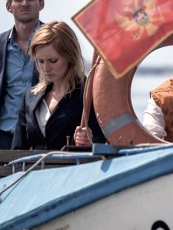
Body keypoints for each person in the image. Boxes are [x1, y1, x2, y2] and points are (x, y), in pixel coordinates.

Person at [12, 21, 105, 150]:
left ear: (70, 56)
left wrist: (90, 142)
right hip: (33, 164)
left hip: (74, 163)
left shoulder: (90, 95)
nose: (46, 68)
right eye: (40, 61)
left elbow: (104, 142)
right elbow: (17, 149)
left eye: (53, 61)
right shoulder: (30, 97)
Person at [0, 0, 45, 169]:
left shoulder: (55, 40)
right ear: (9, 6)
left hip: (40, 136)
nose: (24, 3)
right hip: (4, 134)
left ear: (41, 4)